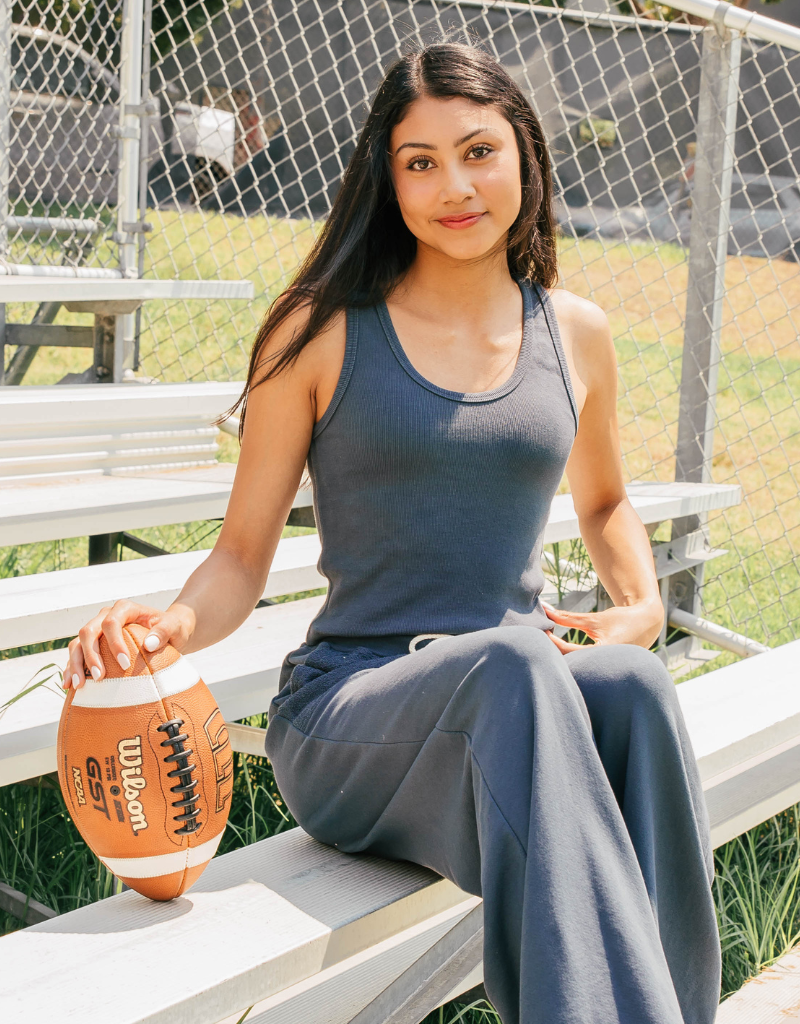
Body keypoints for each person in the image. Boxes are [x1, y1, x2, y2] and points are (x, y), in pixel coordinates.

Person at [64, 41, 721, 1024]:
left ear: (524, 157)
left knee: (629, 682)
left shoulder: (571, 331)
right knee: (515, 667)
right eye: (418, 162)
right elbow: (240, 553)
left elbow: (603, 502)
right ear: (388, 178)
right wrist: (169, 626)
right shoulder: (318, 329)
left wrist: (639, 603)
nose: (451, 185)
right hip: (354, 715)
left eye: (476, 152)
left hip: (517, 700)